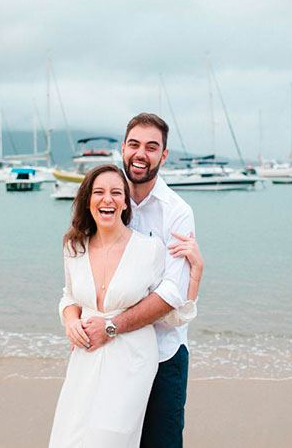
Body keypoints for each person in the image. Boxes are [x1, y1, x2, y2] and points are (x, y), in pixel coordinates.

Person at [49, 164, 199, 448]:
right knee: (71, 438)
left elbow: (172, 312)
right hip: (85, 358)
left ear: (125, 203)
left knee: (111, 438)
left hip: (132, 362)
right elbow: (69, 296)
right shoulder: (73, 246)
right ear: (88, 200)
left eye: (116, 192)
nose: (108, 199)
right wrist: (70, 321)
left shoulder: (148, 249)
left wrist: (196, 275)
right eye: (99, 192)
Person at [80, 113, 203, 448]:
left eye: (152, 147)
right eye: (134, 144)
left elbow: (171, 293)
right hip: (112, 354)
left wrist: (110, 326)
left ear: (164, 156)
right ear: (122, 148)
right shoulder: (106, 202)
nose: (140, 153)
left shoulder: (176, 212)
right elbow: (85, 272)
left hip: (163, 355)